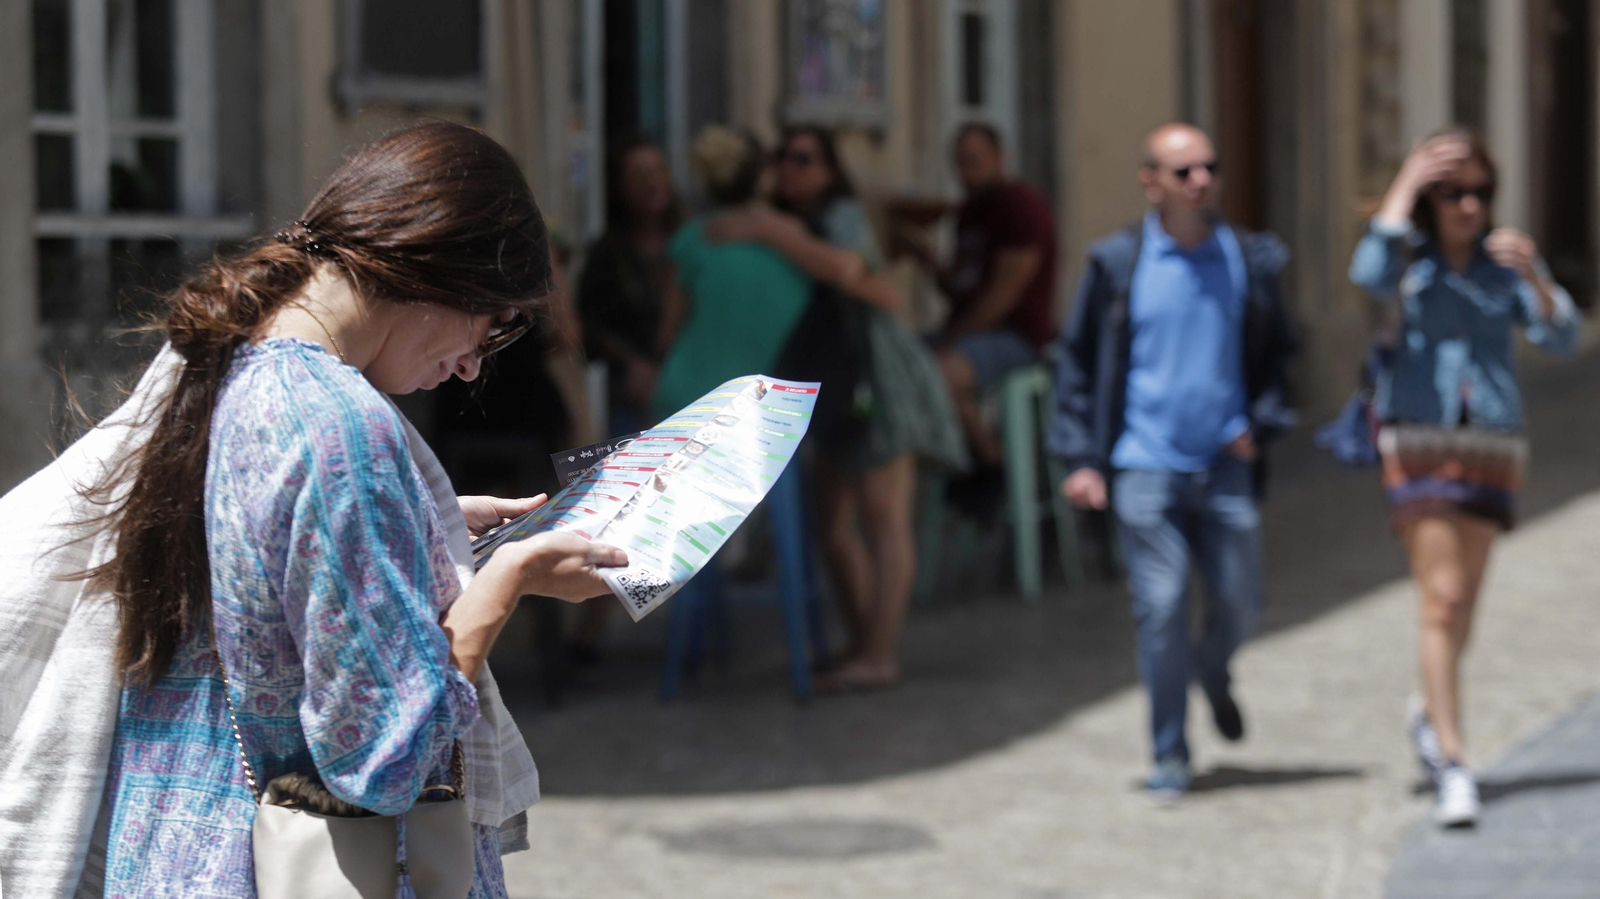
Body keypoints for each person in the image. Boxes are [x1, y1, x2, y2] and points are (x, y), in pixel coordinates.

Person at [0, 123, 629, 896]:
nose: (471, 362)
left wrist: (410, 525)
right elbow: (385, 753)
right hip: (279, 862)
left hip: (175, 847)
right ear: (436, 266)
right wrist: (507, 580)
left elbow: (246, 554)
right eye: (491, 323)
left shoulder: (232, 359)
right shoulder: (340, 424)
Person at [1049, 123, 1298, 802]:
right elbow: (1076, 363)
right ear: (1150, 182)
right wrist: (1081, 456)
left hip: (1224, 460)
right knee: (1160, 607)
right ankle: (1169, 751)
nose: (1200, 181)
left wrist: (1263, 420)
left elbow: (1282, 353)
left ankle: (1214, 671)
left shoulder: (1248, 258)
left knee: (1242, 602)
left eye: (1208, 167)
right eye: (1183, 171)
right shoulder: (1117, 264)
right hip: (1142, 462)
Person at [1350, 127, 1579, 827]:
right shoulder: (1406, 263)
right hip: (1418, 438)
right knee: (1442, 601)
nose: (1469, 206)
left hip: (1493, 444)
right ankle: (1454, 759)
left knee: (1464, 606)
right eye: (1452, 192)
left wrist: (1537, 276)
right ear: (1429, 196)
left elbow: (1561, 335)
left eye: (1480, 192)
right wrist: (1409, 177)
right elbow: (1365, 275)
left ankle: (1428, 709)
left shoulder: (1501, 265)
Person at [705, 125, 968, 690]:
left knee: (883, 519)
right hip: (825, 386)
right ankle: (863, 643)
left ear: (828, 171)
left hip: (876, 376)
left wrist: (769, 230)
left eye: (804, 158)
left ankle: (880, 653)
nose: (790, 168)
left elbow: (850, 271)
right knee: (832, 527)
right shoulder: (778, 221)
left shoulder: (835, 213)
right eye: (782, 158)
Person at [898, 123, 1058, 465]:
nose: (965, 173)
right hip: (968, 330)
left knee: (940, 372)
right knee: (895, 363)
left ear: (999, 158)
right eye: (959, 163)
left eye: (974, 161)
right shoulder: (968, 212)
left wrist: (952, 337)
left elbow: (1004, 295)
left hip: (1016, 335)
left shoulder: (1021, 206)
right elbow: (961, 287)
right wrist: (928, 261)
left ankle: (990, 467)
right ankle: (950, 462)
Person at [652, 126, 813, 415]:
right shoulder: (798, 242)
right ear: (762, 176)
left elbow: (666, 333)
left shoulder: (692, 240)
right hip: (767, 410)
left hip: (689, 399)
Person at [578, 138, 686, 434]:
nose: (651, 183)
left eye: (657, 171)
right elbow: (588, 325)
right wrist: (631, 362)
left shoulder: (692, 241)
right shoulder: (609, 251)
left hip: (692, 387)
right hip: (630, 396)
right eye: (638, 175)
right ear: (619, 185)